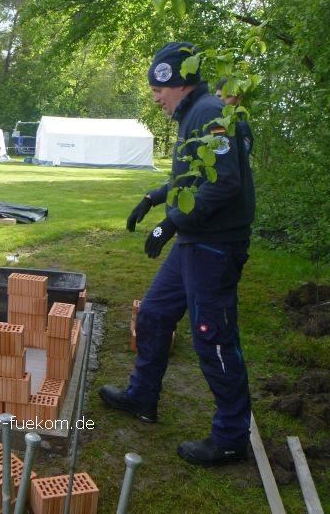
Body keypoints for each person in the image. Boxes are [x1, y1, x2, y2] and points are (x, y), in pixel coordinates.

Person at [99, 42, 255, 466]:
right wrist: (155, 197)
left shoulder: (207, 112)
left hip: (215, 245)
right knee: (152, 314)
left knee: (213, 336)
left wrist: (172, 222)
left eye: (157, 89)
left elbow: (224, 183)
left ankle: (230, 436)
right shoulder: (195, 114)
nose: (154, 97)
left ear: (177, 82)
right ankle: (142, 397)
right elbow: (192, 175)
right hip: (194, 241)